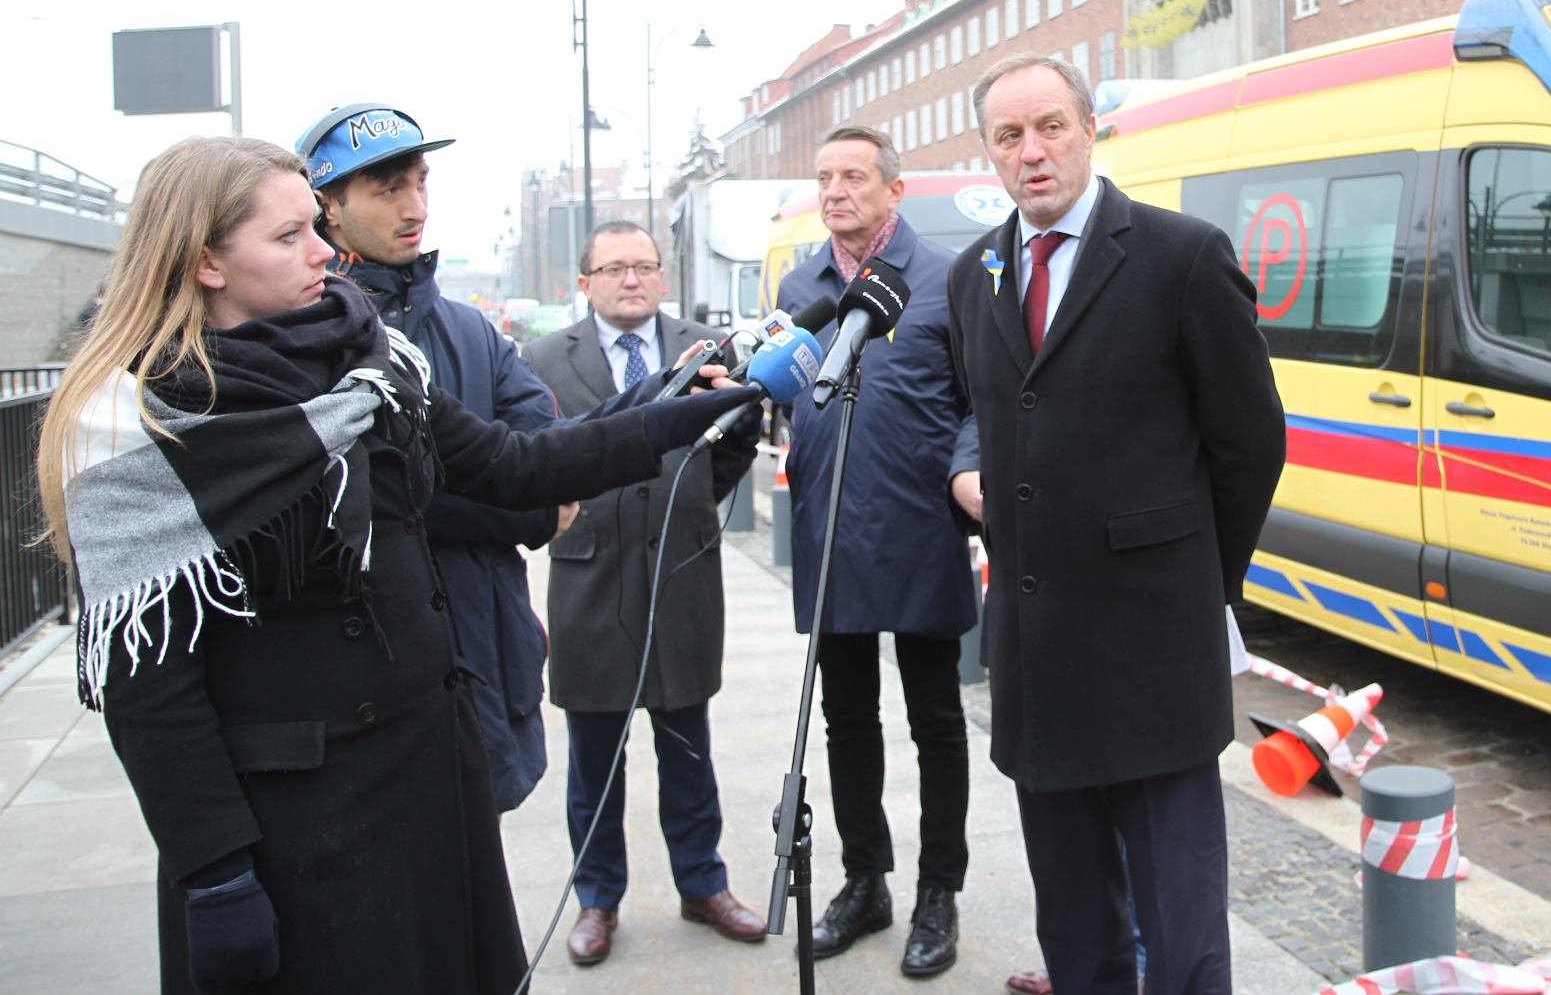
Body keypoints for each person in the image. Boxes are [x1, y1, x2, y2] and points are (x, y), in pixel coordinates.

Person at [34, 136, 754, 994]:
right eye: (290, 236)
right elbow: (151, 693)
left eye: (316, 226)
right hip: (296, 830)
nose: (324, 252)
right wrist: (214, 870)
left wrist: (675, 409)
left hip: (427, 779)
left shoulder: (366, 358)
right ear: (206, 263)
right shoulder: (139, 429)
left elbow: (513, 464)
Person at [946, 55, 1287, 995]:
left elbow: (1249, 447)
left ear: (1091, 128)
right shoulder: (975, 278)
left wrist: (1192, 591)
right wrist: (962, 477)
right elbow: (984, 413)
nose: (1033, 152)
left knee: (1180, 932)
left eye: (1050, 126)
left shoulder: (1182, 255)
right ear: (989, 152)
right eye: (1009, 136)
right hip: (1036, 655)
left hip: (1152, 654)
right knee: (1075, 927)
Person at [296, 103, 560, 813]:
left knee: (480, 896)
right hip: (367, 679)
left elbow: (542, 475)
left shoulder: (473, 331)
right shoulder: (302, 338)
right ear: (326, 204)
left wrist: (499, 497)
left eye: (420, 182)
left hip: (484, 650)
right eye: (387, 189)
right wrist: (499, 498)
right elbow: (364, 505)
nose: (414, 207)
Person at [524, 221, 767, 963]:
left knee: (688, 745)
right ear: (587, 280)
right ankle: (597, 897)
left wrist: (691, 501)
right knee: (595, 754)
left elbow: (738, 439)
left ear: (662, 277)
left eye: (643, 266)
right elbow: (532, 457)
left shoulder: (706, 349)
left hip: (683, 573)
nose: (630, 279)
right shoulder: (540, 360)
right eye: (614, 267)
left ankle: (703, 883)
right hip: (590, 575)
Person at [775, 124, 976, 978]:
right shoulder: (801, 282)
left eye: (853, 176)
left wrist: (967, 477)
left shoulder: (946, 280)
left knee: (936, 720)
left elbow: (981, 403)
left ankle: (940, 889)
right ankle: (867, 879)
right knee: (847, 718)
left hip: (922, 529)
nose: (835, 191)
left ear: (895, 190)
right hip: (831, 532)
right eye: (825, 177)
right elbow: (788, 392)